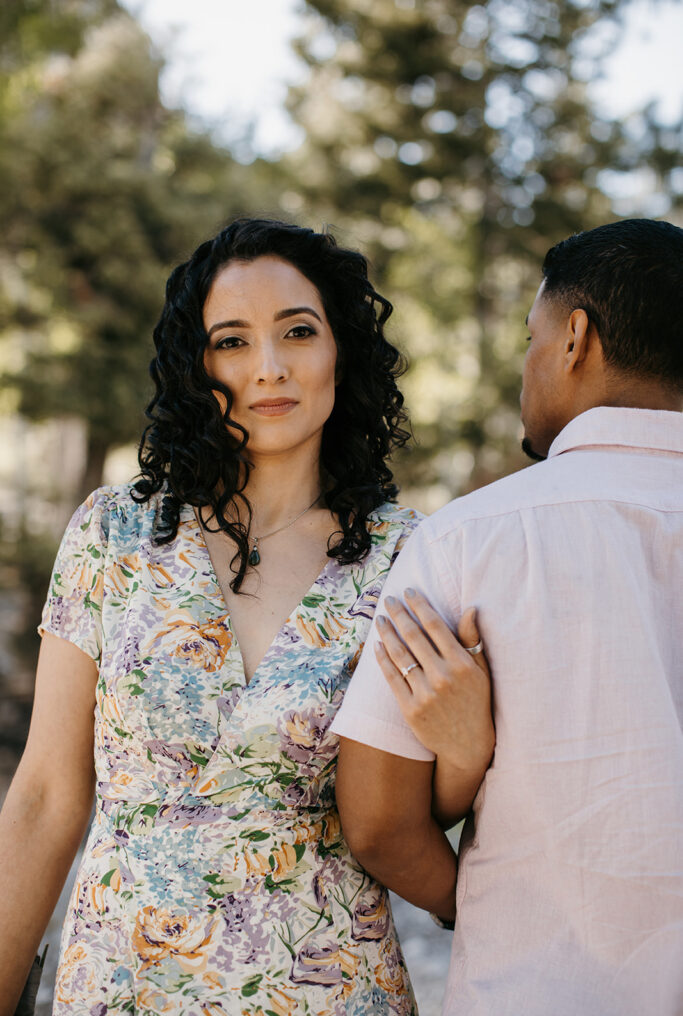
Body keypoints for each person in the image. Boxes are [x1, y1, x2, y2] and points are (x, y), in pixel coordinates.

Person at [0, 218, 494, 1015]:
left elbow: (411, 813)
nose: (269, 368)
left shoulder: (414, 557)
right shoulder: (113, 532)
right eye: (231, 341)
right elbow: (46, 796)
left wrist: (466, 748)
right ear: (197, 367)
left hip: (327, 985)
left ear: (341, 351)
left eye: (297, 331)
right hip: (125, 982)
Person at [331, 218, 683, 1016]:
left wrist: (481, 908)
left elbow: (380, 822)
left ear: (573, 338)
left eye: (530, 337)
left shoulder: (467, 541)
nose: (525, 366)